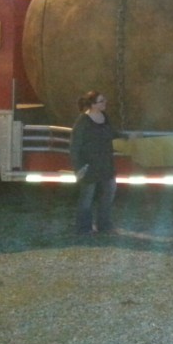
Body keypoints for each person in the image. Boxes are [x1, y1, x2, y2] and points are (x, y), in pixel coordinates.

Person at [69, 90, 119, 235]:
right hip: (89, 165)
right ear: (92, 104)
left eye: (104, 100)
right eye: (101, 101)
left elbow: (111, 133)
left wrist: (128, 137)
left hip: (105, 162)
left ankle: (104, 225)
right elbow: (75, 146)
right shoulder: (83, 121)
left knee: (109, 193)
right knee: (87, 198)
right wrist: (78, 167)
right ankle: (84, 228)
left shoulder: (104, 116)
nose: (105, 103)